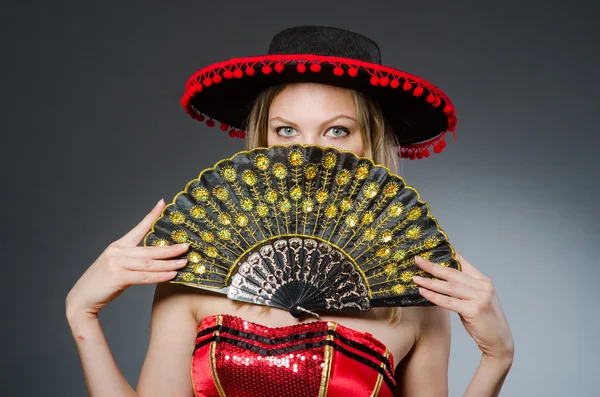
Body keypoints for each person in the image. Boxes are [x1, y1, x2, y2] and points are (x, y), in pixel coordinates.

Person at [66, 26, 514, 396]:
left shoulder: (414, 294)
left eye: (337, 131)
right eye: (287, 130)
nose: (310, 152)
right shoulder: (197, 269)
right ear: (263, 140)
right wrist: (81, 314)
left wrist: (497, 359)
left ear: (369, 144)